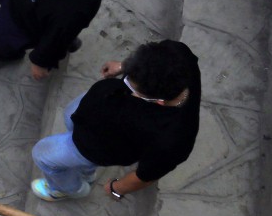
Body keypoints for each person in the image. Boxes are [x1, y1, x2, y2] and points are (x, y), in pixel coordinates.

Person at [30, 39, 201, 201]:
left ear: (158, 101)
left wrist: (116, 189)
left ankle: (70, 189)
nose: (123, 82)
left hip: (104, 145)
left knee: (42, 154)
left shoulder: (175, 139)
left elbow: (147, 175)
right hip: (91, 121)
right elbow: (152, 60)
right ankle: (86, 171)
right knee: (70, 115)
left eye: (132, 87)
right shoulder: (178, 55)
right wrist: (123, 66)